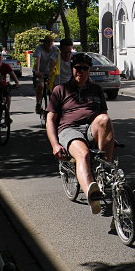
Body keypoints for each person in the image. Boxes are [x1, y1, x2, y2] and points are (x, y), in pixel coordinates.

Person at [46, 52, 115, 214]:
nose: (81, 71)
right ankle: (93, 195)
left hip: (91, 128)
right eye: (78, 68)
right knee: (83, 154)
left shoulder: (97, 89)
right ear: (72, 69)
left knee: (104, 119)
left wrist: (111, 138)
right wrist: (55, 144)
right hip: (69, 129)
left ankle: (104, 171)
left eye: (85, 68)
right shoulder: (60, 89)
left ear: (89, 70)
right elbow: (50, 120)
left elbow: (103, 117)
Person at [33, 35, 58, 114]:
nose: (49, 43)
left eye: (51, 41)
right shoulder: (39, 48)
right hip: (40, 71)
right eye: (47, 42)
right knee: (40, 86)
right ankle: (38, 103)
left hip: (50, 72)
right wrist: (37, 71)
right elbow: (37, 59)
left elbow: (57, 61)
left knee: (54, 88)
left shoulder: (55, 49)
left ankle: (54, 104)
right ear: (44, 43)